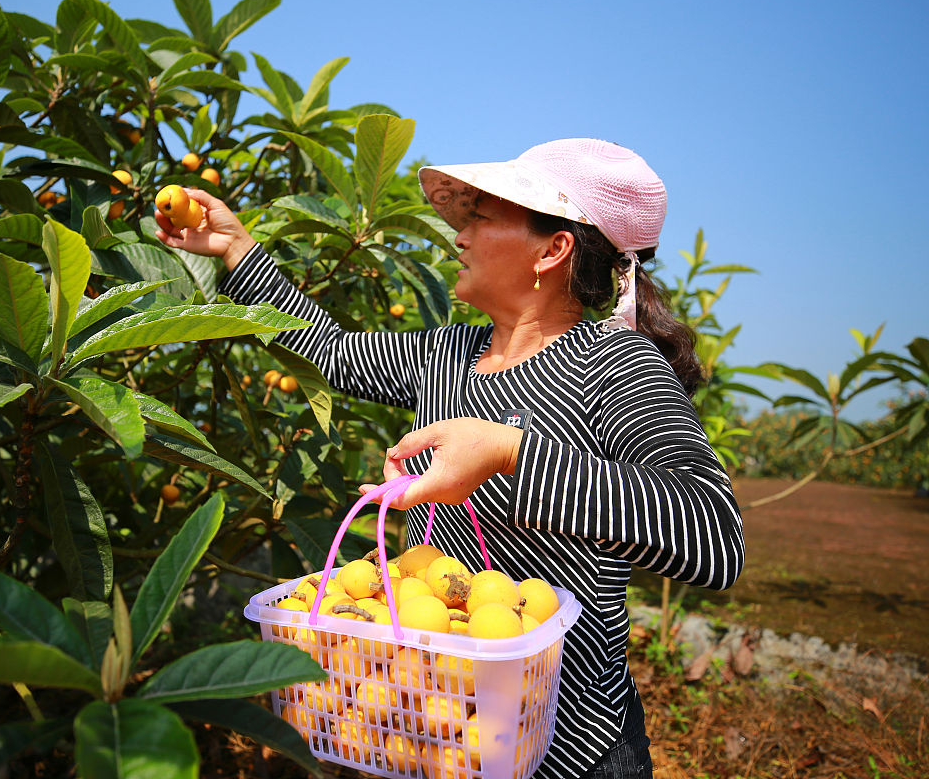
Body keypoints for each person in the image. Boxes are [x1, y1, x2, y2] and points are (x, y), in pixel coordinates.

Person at [156, 138, 745, 779]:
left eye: (482, 219)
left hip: (565, 743)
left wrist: (510, 451)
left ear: (553, 250)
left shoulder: (613, 367)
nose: (458, 238)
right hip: (433, 727)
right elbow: (324, 346)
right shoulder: (445, 354)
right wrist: (237, 251)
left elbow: (715, 538)